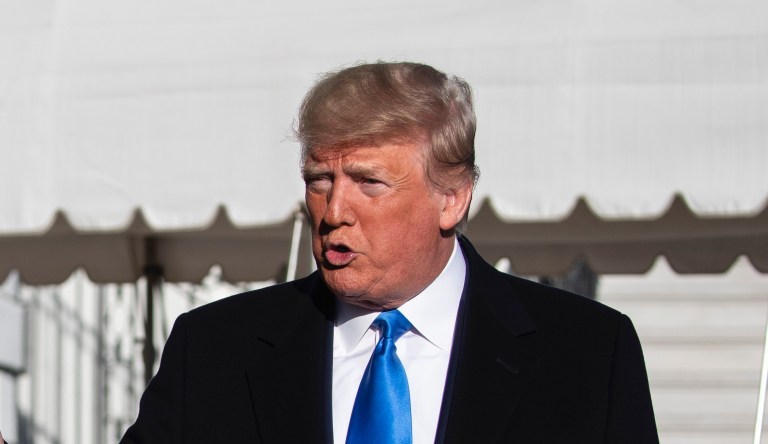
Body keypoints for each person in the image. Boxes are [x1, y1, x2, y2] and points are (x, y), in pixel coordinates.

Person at [122, 61, 658, 443]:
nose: (333, 210)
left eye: (368, 182)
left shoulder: (587, 354)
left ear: (451, 199)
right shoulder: (216, 350)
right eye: (318, 179)